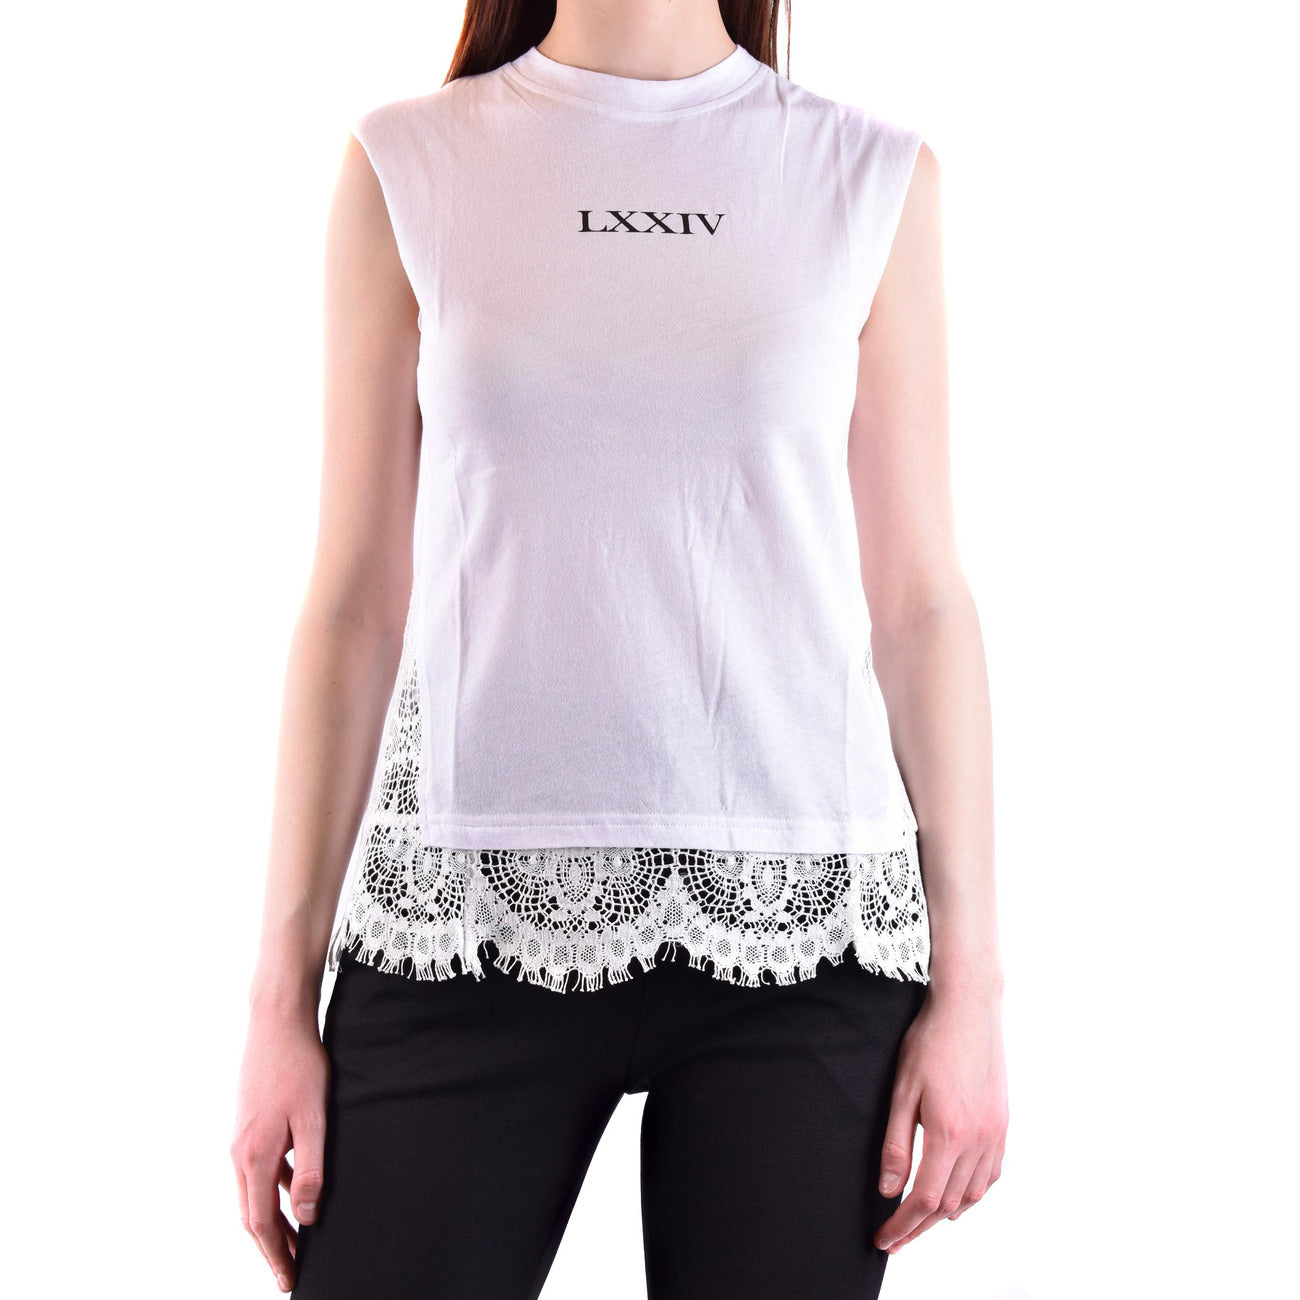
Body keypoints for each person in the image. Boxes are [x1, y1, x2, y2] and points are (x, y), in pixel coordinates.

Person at [230, 2, 1009, 1297]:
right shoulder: (407, 165)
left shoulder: (870, 178)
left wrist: (973, 988)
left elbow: (923, 604)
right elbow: (354, 604)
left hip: (804, 935)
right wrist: (276, 1004)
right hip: (463, 921)